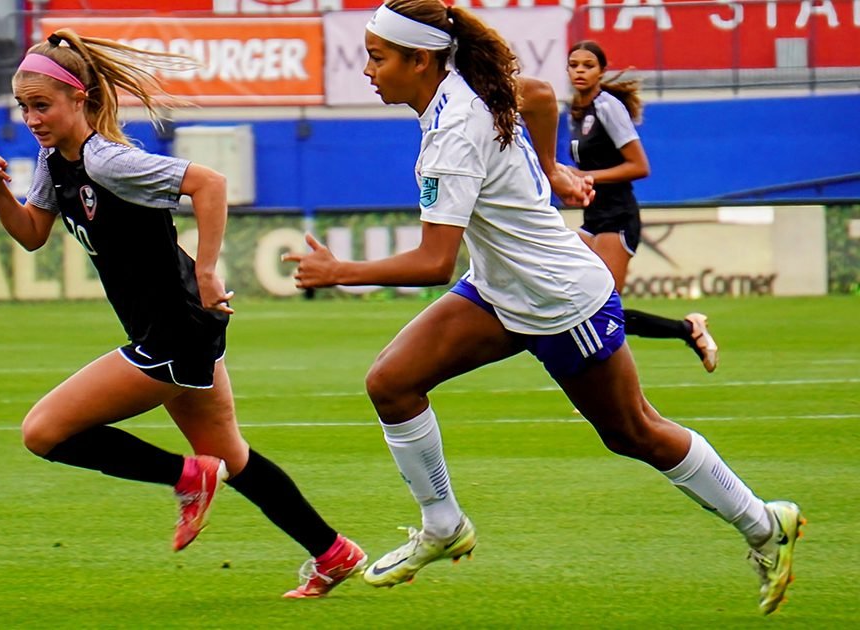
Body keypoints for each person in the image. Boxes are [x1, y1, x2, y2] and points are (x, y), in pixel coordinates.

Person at [285, 0, 803, 615]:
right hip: (500, 290)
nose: (367, 70)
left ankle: (764, 523)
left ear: (420, 61)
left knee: (633, 431)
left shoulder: (453, 132)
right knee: (392, 384)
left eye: (377, 58)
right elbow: (534, 94)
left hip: (562, 302)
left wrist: (339, 271)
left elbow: (432, 263)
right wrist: (553, 167)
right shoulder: (461, 89)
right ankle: (444, 524)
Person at [0, 29, 365, 599]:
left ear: (79, 99)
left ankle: (186, 478)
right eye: (23, 107)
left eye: (42, 105)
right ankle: (333, 552)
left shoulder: (109, 161)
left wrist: (208, 270)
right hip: (173, 328)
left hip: (176, 329)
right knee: (233, 456)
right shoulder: (53, 160)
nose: (31, 118)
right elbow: (33, 235)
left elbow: (210, 183)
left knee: (44, 432)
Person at [565, 40, 719, 373]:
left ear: (601, 71)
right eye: (573, 64)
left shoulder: (608, 107)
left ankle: (687, 330)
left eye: (587, 65)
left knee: (601, 308)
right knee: (578, 300)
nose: (579, 70)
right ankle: (685, 331)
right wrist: (574, 184)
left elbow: (639, 166)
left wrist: (585, 177)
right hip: (592, 219)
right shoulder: (576, 111)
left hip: (618, 218)